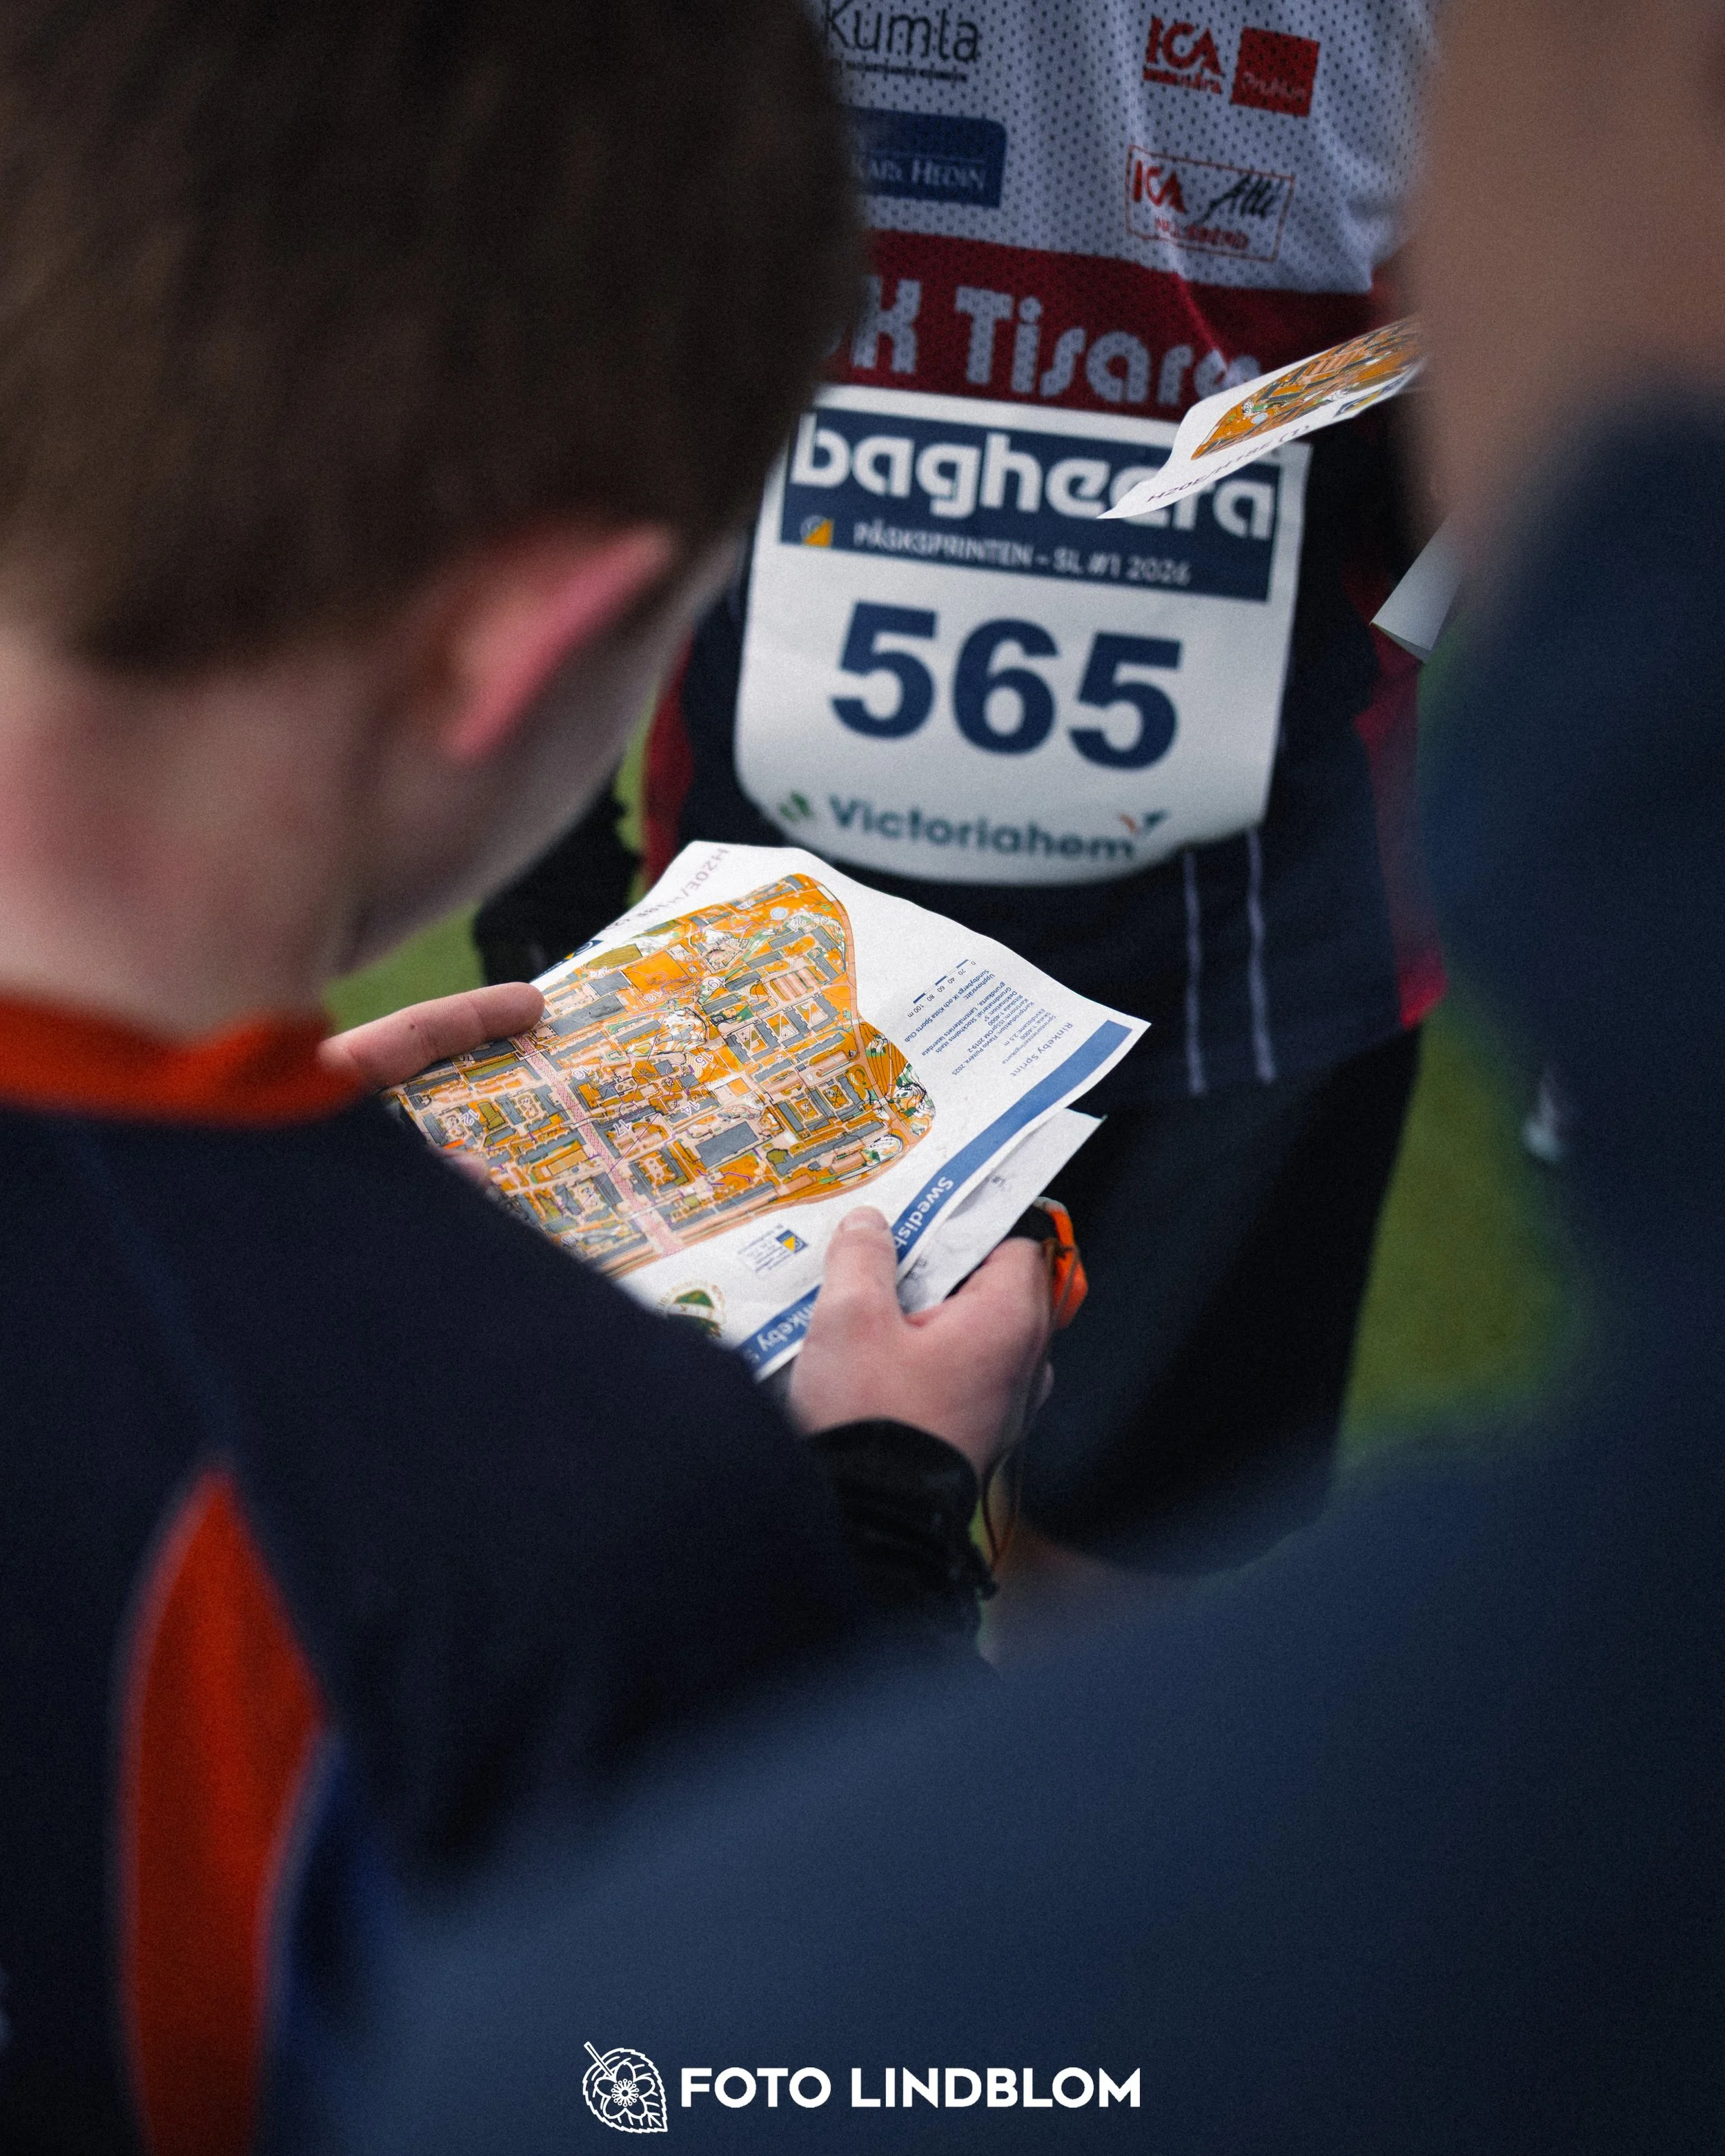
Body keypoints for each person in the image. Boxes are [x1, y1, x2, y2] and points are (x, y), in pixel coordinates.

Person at [303, 1, 1725, 2147]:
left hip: (1270, 909)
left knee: (1142, 1583)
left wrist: (1445, 490)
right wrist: (562, 856)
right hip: (769, 881)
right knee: (720, 1577)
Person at [0, 6, 1054, 2150]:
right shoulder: (577, 1499)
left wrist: (241, 1203)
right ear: (526, 634)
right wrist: (872, 1521)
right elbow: (792, 2065)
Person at [490, 0, 1446, 1574]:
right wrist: (543, 869)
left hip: (1256, 961)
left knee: (1136, 1647)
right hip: (756, 934)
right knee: (747, 1605)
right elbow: (557, 339)